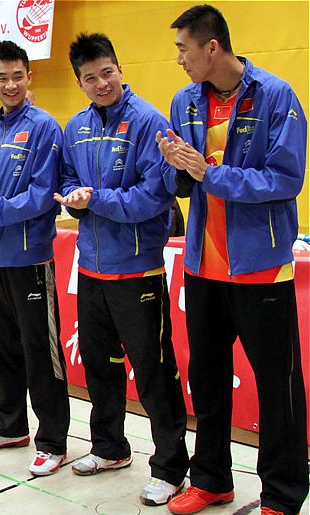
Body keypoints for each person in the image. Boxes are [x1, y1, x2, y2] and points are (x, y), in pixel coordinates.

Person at [157, 6, 308, 515]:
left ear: (212, 47)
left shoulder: (276, 96)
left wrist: (209, 173)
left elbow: (285, 179)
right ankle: (212, 479)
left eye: (183, 49)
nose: (179, 59)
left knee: (278, 387)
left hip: (261, 266)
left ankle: (282, 495)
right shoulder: (184, 101)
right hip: (203, 266)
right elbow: (182, 181)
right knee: (208, 379)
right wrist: (177, 169)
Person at [55, 33, 188, 507]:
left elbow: (156, 197)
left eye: (107, 72)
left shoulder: (150, 121)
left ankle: (171, 468)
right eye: (90, 78)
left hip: (138, 271)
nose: (101, 83)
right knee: (99, 366)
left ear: (119, 69)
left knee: (154, 372)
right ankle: (110, 447)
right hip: (91, 269)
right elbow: (67, 178)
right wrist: (73, 197)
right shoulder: (76, 127)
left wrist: (96, 200)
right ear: (80, 83)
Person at [0, 41, 69, 475]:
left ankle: (52, 441)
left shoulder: (44, 127)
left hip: (30, 260)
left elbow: (43, 195)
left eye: (17, 76)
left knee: (41, 352)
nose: (10, 85)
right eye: (2, 77)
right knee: (1, 346)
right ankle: (9, 426)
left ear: (29, 77)